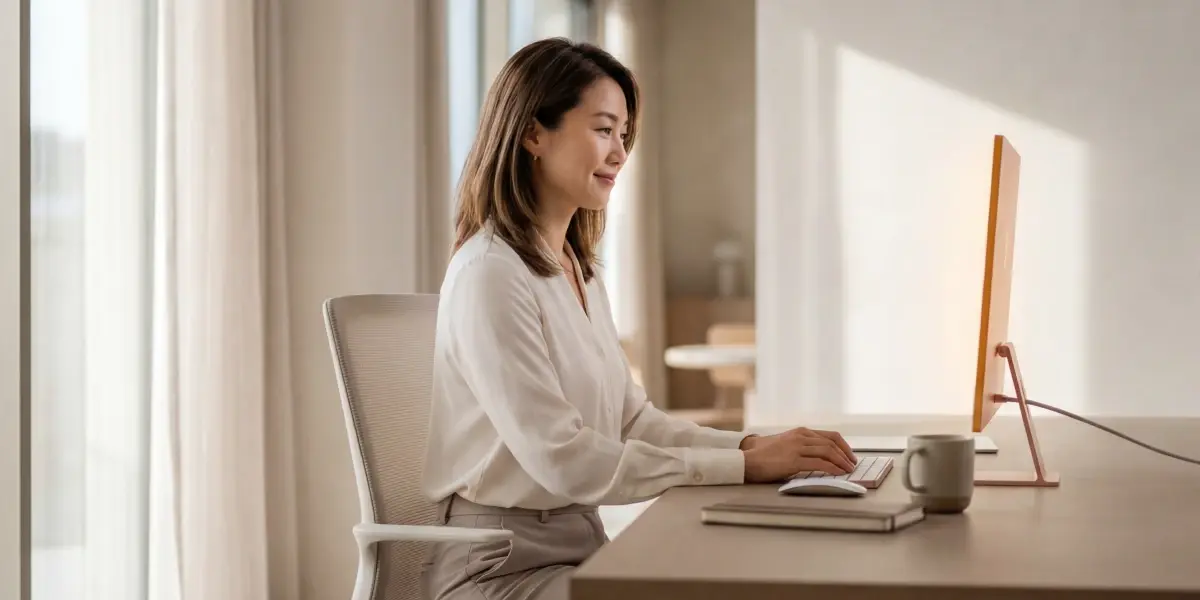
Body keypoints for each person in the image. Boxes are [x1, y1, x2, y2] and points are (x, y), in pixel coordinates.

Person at [420, 37, 858, 600]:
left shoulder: (576, 269)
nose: (620, 152)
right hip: (498, 570)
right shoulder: (489, 274)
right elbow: (565, 461)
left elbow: (633, 421)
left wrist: (749, 448)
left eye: (624, 134)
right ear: (532, 133)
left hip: (580, 547)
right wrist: (744, 468)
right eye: (603, 129)